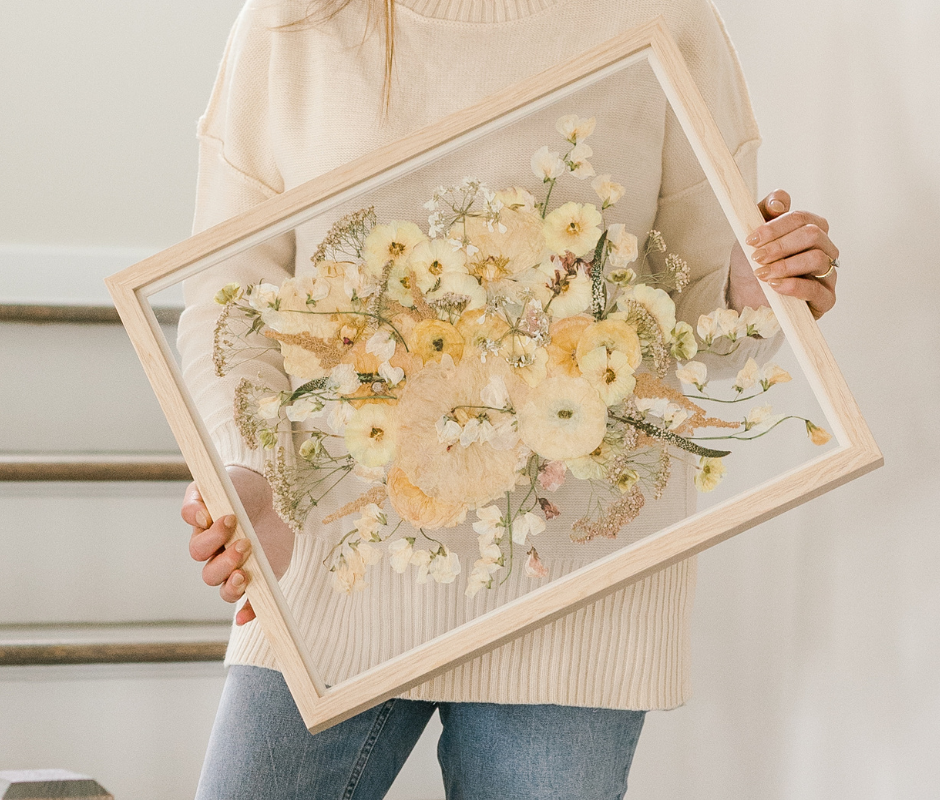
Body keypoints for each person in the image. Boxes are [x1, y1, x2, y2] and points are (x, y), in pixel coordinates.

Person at [177, 0, 840, 796]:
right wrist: (250, 474)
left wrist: (758, 286)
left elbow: (698, 310)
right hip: (330, 556)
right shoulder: (293, 25)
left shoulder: (666, 19)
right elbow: (228, 298)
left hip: (573, 584)